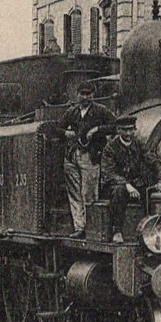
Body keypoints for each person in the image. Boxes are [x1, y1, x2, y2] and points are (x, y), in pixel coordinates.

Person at [58, 83, 116, 236]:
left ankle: (91, 228)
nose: (85, 97)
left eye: (89, 94)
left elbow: (115, 126)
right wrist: (65, 133)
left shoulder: (101, 111)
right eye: (82, 94)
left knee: (89, 193)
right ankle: (80, 228)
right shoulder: (71, 112)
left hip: (90, 156)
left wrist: (97, 130)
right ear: (77, 95)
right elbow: (57, 129)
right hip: (71, 156)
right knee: (75, 193)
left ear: (93, 95)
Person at [98, 115, 161, 243]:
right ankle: (117, 231)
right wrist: (126, 184)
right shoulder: (110, 148)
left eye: (131, 130)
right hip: (114, 185)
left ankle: (160, 229)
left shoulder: (138, 144)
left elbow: (154, 162)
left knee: (154, 194)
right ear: (119, 130)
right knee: (119, 192)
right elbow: (109, 172)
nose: (128, 133)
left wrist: (160, 182)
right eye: (125, 130)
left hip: (135, 184)